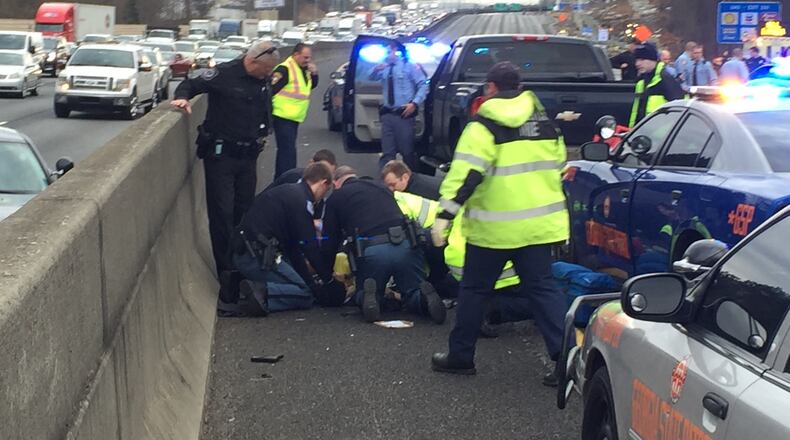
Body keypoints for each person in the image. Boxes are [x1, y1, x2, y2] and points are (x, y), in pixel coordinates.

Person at [429, 62, 568, 384]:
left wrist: (444, 218)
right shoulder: (545, 123)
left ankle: (460, 357)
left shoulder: (483, 126)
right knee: (544, 290)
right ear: (519, 87)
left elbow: (465, 176)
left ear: (490, 88)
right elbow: (559, 164)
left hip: (494, 228)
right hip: (538, 226)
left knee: (475, 291)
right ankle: (565, 363)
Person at [170, 42, 280, 310]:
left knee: (244, 212)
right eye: (265, 70)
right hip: (222, 156)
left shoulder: (262, 78)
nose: (268, 75)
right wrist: (182, 98)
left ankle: (243, 269)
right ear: (252, 62)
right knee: (222, 215)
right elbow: (191, 84)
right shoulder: (224, 74)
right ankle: (227, 277)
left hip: (248, 156)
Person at [322, 166, 446, 324]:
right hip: (407, 245)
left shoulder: (337, 197)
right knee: (412, 290)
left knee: (366, 290)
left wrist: (327, 276)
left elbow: (329, 241)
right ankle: (422, 299)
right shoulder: (382, 188)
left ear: (335, 183)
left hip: (372, 250)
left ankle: (371, 296)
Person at [232, 162, 346, 316]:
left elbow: (294, 248)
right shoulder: (302, 203)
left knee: (303, 283)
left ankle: (256, 285)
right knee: (305, 293)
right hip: (256, 258)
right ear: (323, 183)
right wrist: (328, 281)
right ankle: (260, 292)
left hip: (249, 252)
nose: (322, 198)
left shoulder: (289, 193)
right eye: (327, 190)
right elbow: (309, 247)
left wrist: (311, 281)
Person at [368, 43, 429, 170]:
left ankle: (409, 180)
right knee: (387, 153)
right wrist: (375, 69)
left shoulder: (409, 66)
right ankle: (386, 182)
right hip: (387, 114)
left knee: (407, 151)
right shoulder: (384, 67)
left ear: (395, 51)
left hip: (404, 114)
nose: (386, 56)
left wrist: (414, 103)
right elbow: (371, 77)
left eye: (388, 52)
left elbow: (423, 85)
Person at [272, 43, 319, 179]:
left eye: (309, 57)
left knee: (286, 151)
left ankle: (282, 179)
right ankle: (287, 180)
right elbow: (271, 90)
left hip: (293, 117)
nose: (308, 60)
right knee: (288, 152)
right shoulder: (284, 69)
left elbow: (310, 86)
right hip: (281, 115)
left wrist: (314, 73)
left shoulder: (303, 69)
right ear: (295, 55)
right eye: (305, 57)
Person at [629, 42, 684, 127]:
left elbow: (678, 110)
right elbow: (636, 111)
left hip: (661, 137)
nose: (637, 63)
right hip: (644, 132)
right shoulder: (642, 81)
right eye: (637, 60)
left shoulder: (665, 80)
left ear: (653, 60)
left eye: (642, 60)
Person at [264, 149, 337, 190]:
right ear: (311, 163)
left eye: (329, 174)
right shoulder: (295, 178)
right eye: (321, 171)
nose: (325, 178)